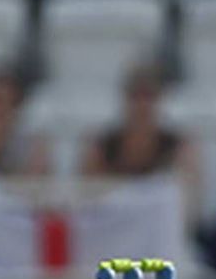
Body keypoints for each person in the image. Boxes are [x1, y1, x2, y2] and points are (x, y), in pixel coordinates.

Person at [81, 60, 202, 221]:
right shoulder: (101, 148)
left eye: (149, 97)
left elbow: (189, 207)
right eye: (136, 97)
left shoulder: (180, 148)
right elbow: (88, 201)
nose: (142, 105)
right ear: (125, 99)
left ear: (160, 100)